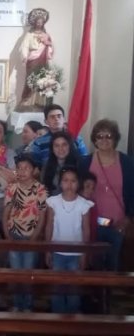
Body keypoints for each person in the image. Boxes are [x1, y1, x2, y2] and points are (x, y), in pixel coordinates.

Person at [78, 119, 134, 271]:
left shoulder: (127, 163)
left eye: (108, 136)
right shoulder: (85, 162)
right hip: (92, 223)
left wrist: (128, 218)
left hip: (118, 224)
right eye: (99, 136)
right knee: (93, 262)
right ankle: (94, 294)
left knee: (113, 264)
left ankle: (107, 295)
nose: (104, 140)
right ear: (94, 139)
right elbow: (79, 191)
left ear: (115, 138)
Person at [2, 154, 47, 312]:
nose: (21, 171)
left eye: (26, 168)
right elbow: (6, 212)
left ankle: (27, 305)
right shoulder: (12, 188)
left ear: (34, 170)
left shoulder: (40, 189)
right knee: (15, 272)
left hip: (31, 236)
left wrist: (35, 237)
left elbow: (42, 216)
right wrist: (7, 235)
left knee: (28, 274)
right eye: (19, 168)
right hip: (13, 234)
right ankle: (16, 303)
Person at [45, 167, 92, 314]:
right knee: (57, 287)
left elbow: (86, 230)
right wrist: (47, 250)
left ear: (79, 184)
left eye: (73, 181)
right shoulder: (53, 202)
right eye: (65, 180)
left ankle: (72, 319)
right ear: (60, 183)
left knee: (74, 288)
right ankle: (58, 318)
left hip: (76, 254)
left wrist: (84, 254)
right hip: (57, 252)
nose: (69, 184)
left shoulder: (84, 204)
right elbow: (49, 226)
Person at [19, 8, 53, 106]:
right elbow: (24, 46)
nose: (39, 24)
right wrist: (25, 56)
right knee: (31, 78)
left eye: (41, 22)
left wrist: (47, 43)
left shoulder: (46, 35)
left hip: (43, 59)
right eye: (37, 22)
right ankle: (27, 101)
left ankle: (39, 102)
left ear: (43, 23)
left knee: (42, 79)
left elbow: (50, 46)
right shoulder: (29, 35)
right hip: (33, 59)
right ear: (35, 23)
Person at [42, 131, 80, 196]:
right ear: (52, 149)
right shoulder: (46, 165)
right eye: (56, 146)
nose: (60, 149)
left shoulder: (79, 164)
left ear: (70, 146)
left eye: (64, 145)